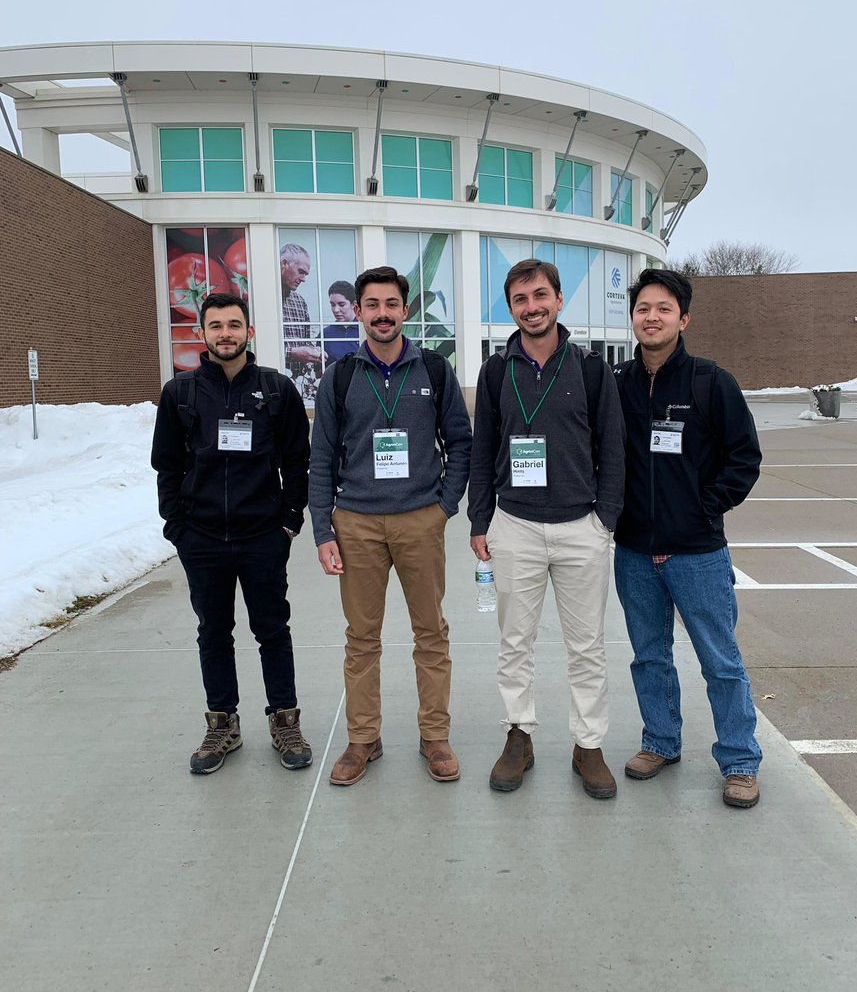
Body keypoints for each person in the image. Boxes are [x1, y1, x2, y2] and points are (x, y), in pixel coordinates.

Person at [468, 259, 626, 799]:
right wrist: (479, 519)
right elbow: (483, 450)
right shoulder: (496, 370)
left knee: (587, 647)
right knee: (514, 641)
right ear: (510, 308)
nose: (531, 307)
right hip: (514, 527)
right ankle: (519, 734)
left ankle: (589, 745)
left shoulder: (589, 368)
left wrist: (604, 519)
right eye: (520, 299)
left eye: (540, 295)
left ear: (559, 300)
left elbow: (612, 449)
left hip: (581, 526)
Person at [309, 266, 472, 787]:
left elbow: (461, 443)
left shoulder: (434, 371)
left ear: (406, 310)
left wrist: (442, 508)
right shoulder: (340, 376)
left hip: (419, 521)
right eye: (372, 304)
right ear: (358, 312)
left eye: (392, 304)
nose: (382, 313)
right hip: (355, 522)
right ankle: (363, 739)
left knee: (431, 633)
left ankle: (434, 735)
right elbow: (322, 458)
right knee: (362, 638)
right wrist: (323, 529)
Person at [612, 266, 763, 808]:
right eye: (642, 309)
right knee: (649, 655)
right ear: (632, 318)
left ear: (684, 318)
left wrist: (704, 507)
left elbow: (744, 457)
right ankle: (660, 742)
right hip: (632, 551)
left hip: (697, 552)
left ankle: (740, 760)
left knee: (720, 659)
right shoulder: (619, 384)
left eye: (663, 309)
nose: (651, 318)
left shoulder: (709, 381)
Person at [151, 292, 313, 775]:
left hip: (263, 536)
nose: (226, 333)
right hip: (201, 539)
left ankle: (284, 719)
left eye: (234, 324)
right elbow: (166, 465)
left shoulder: (277, 389)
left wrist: (287, 522)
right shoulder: (180, 392)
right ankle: (223, 723)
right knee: (213, 632)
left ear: (250, 332)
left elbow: (296, 463)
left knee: (272, 630)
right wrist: (177, 527)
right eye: (216, 325)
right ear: (203, 334)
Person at [280, 243, 321, 372]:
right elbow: (259, 345)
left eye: (306, 274)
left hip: (298, 382)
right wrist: (291, 353)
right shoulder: (262, 299)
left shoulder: (300, 302)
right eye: (301, 272)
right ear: (284, 264)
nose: (303, 279)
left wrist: (315, 351)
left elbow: (306, 340)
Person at [322, 279, 360, 362]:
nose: (336, 310)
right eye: (332, 304)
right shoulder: (325, 334)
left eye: (341, 304)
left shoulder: (364, 331)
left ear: (354, 304)